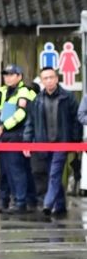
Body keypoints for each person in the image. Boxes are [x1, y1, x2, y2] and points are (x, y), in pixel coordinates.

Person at [25, 67, 79, 219]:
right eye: (45, 78)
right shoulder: (37, 100)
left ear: (57, 78)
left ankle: (48, 204)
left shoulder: (68, 97)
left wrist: (75, 141)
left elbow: (76, 120)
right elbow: (31, 123)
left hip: (62, 143)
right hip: (44, 143)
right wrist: (27, 142)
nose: (49, 80)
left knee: (55, 173)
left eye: (51, 77)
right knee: (51, 173)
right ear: (42, 81)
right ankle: (60, 205)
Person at [0, 64, 37, 216]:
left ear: (19, 76)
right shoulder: (3, 91)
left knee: (16, 170)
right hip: (4, 136)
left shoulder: (24, 91)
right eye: (6, 74)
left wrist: (4, 126)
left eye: (11, 74)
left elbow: (21, 114)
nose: (8, 77)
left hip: (17, 134)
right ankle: (7, 200)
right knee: (5, 171)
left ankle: (20, 202)